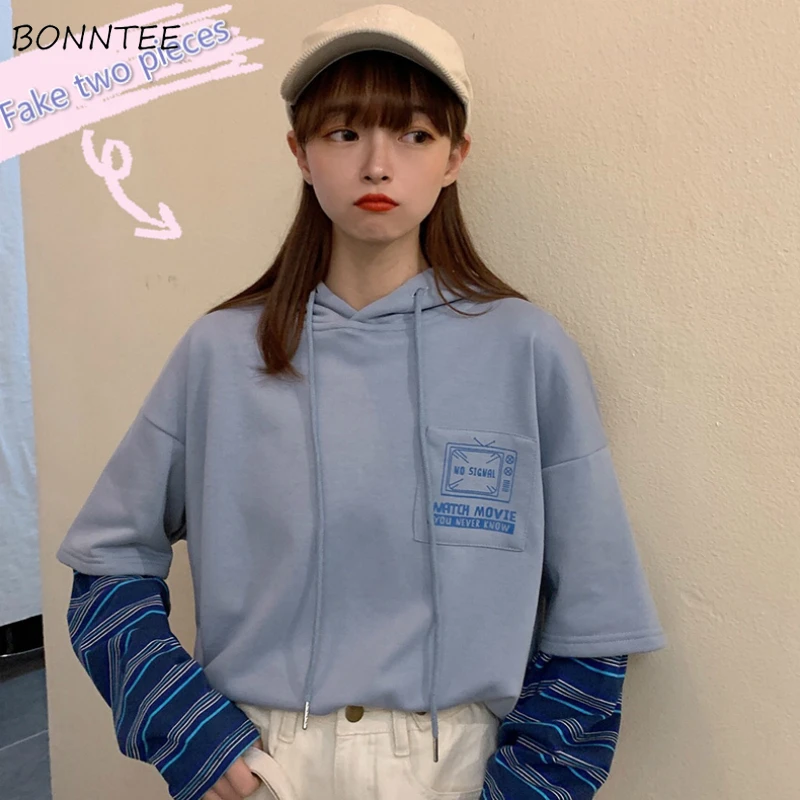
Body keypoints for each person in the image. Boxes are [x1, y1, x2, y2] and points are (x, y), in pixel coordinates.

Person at [56, 5, 667, 800]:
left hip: (456, 763)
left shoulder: (526, 349)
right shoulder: (220, 353)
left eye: (414, 134)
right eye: (345, 133)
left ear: (455, 157)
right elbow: (105, 562)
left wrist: (533, 782)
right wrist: (191, 733)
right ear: (300, 153)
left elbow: (596, 610)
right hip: (265, 759)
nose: (378, 165)